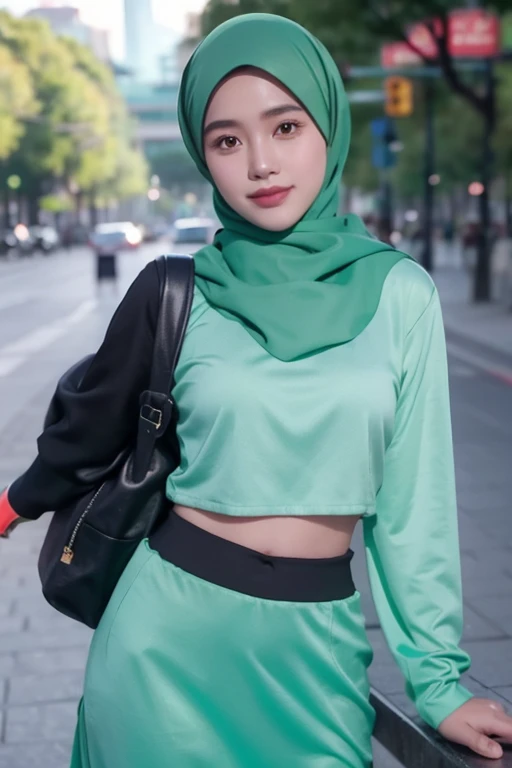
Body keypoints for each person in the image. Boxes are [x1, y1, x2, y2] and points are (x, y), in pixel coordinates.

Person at [1, 13, 511, 767]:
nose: (261, 164)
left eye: (285, 127)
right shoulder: (177, 292)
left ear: (327, 129)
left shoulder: (402, 295)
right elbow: (88, 425)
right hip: (161, 655)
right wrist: (15, 501)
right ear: (204, 158)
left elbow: (415, 509)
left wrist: (439, 684)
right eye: (227, 141)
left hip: (316, 658)